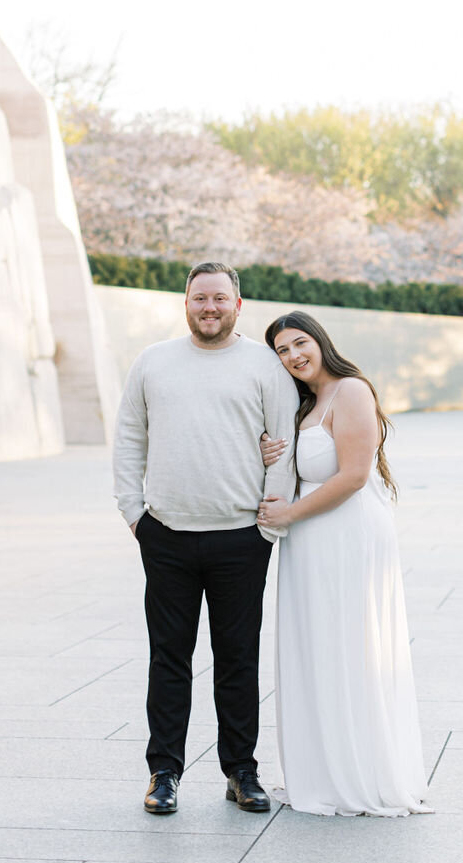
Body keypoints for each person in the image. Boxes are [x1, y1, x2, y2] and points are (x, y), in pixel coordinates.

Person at [112, 261, 299, 817]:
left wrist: (266, 526)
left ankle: (241, 770)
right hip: (166, 536)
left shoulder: (265, 366)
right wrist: (134, 514)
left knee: (238, 659)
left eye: (220, 298)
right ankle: (163, 772)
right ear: (186, 303)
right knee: (168, 658)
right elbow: (128, 436)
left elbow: (283, 443)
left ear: (238, 306)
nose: (209, 307)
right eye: (200, 298)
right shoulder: (154, 361)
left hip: (241, 538)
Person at [256, 311, 430, 817]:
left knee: (349, 647)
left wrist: (287, 512)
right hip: (310, 539)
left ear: (321, 341)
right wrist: (273, 450)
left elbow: (353, 475)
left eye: (299, 343)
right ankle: (326, 769)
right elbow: (303, 463)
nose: (293, 356)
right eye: (282, 352)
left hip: (345, 535)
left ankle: (360, 774)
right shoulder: (306, 402)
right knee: (318, 648)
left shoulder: (351, 390)